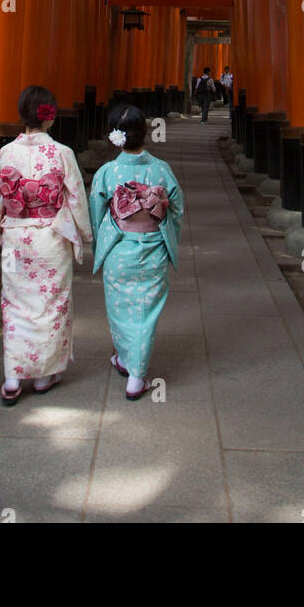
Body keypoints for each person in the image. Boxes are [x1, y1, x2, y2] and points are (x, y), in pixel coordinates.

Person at [0, 84, 92, 406]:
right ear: (50, 117)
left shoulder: (6, 154)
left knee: (14, 303)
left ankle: (12, 375)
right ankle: (45, 375)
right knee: (51, 304)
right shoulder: (62, 154)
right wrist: (85, 236)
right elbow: (75, 198)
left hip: (16, 239)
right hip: (50, 238)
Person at [89, 103, 184, 400]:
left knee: (119, 309)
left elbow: (96, 212)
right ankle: (136, 374)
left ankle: (129, 363)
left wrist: (102, 239)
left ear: (113, 136)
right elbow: (177, 209)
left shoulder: (107, 172)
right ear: (145, 133)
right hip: (153, 248)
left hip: (119, 250)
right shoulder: (161, 170)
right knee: (146, 312)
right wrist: (166, 231)